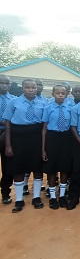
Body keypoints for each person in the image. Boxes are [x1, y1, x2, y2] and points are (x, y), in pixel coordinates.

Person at [3, 79, 46, 212]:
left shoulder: (43, 103)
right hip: (18, 138)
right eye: (27, 87)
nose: (30, 89)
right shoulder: (13, 102)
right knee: (19, 169)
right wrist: (8, 145)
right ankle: (19, 200)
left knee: (38, 169)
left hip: (37, 138)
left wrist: (44, 147)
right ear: (22, 89)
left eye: (33, 87)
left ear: (37, 89)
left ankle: (36, 197)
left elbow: (45, 125)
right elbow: (8, 124)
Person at [42, 85, 72, 209]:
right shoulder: (48, 108)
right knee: (52, 168)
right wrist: (43, 148)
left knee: (64, 168)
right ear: (53, 94)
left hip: (65, 138)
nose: (60, 95)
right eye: (57, 93)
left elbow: (72, 127)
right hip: (52, 138)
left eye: (63, 93)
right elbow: (44, 129)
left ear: (66, 95)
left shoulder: (70, 108)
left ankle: (63, 196)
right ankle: (53, 197)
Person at [0, 74, 16, 204]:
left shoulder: (14, 100)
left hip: (7, 135)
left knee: (7, 165)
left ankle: (5, 192)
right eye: (2, 83)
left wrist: (7, 124)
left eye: (7, 83)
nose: (4, 85)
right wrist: (6, 122)